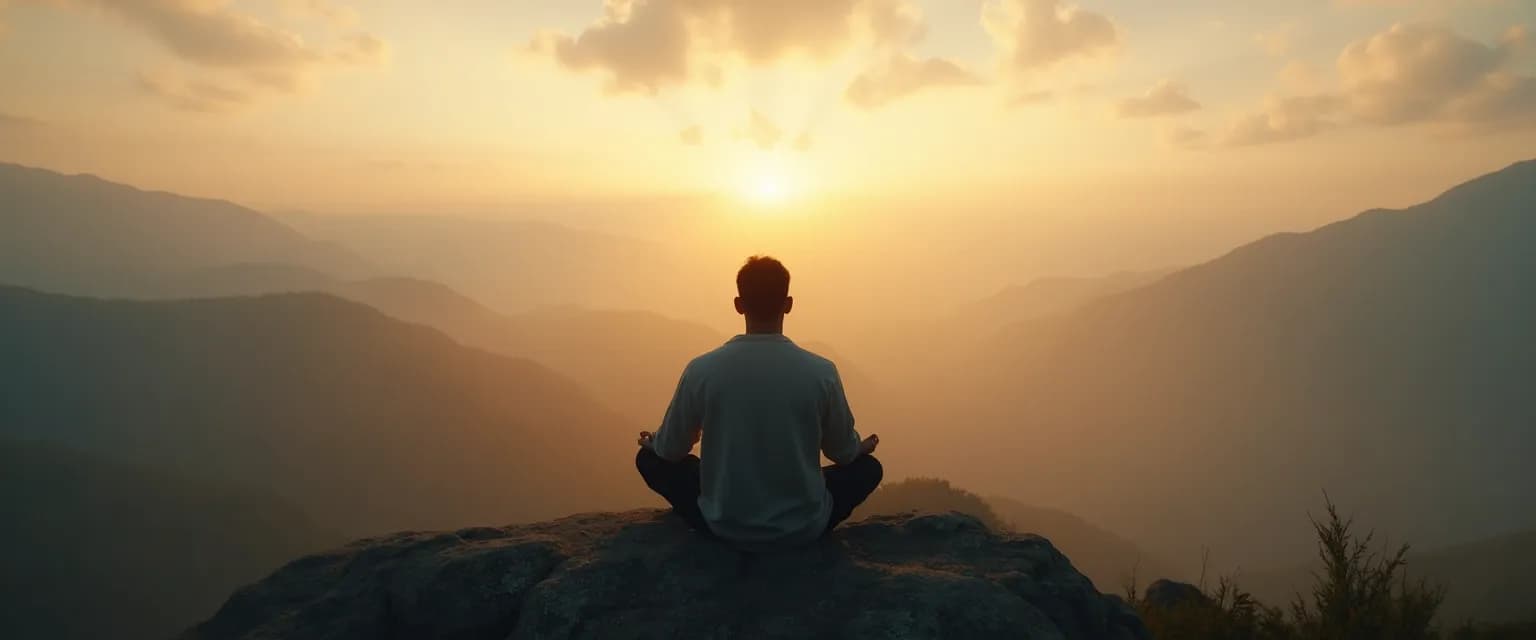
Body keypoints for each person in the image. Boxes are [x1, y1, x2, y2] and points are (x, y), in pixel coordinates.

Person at [635, 256, 883, 549]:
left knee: (649, 460)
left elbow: (672, 450)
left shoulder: (702, 370)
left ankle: (724, 511)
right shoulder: (821, 372)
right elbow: (841, 453)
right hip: (803, 527)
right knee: (869, 469)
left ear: (739, 304)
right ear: (788, 304)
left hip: (722, 525)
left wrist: (656, 444)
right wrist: (859, 448)